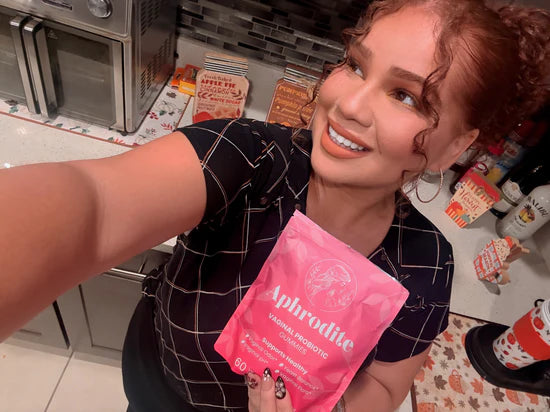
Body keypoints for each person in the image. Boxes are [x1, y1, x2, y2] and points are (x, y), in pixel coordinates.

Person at [1, 0, 549, 410]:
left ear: (455, 148)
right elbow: (95, 205)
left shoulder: (424, 266)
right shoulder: (246, 160)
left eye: (404, 96)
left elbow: (384, 387)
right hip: (157, 390)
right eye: (356, 66)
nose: (348, 104)